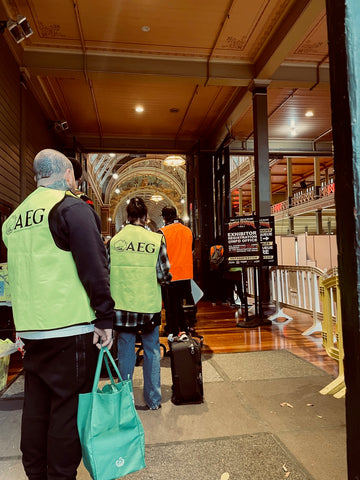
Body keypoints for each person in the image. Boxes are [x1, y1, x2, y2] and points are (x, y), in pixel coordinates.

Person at [2, 148, 115, 480]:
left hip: (32, 332)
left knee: (36, 409)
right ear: (68, 175)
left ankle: (36, 472)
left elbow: (18, 273)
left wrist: (19, 326)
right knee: (67, 412)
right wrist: (105, 317)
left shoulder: (13, 220)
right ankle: (62, 475)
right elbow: (94, 268)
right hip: (69, 329)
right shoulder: (72, 209)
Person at [109, 197, 171, 410]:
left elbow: (107, 272)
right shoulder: (155, 240)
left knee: (125, 350)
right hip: (148, 305)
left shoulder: (115, 241)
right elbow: (164, 275)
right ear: (145, 217)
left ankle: (124, 401)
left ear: (127, 217)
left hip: (122, 305)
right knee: (152, 350)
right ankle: (153, 400)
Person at [159, 205, 194, 336]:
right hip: (186, 273)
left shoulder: (162, 232)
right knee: (181, 305)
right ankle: (184, 329)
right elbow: (191, 249)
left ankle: (173, 333)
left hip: (170, 275)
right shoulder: (188, 231)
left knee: (171, 307)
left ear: (164, 218)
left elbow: (160, 255)